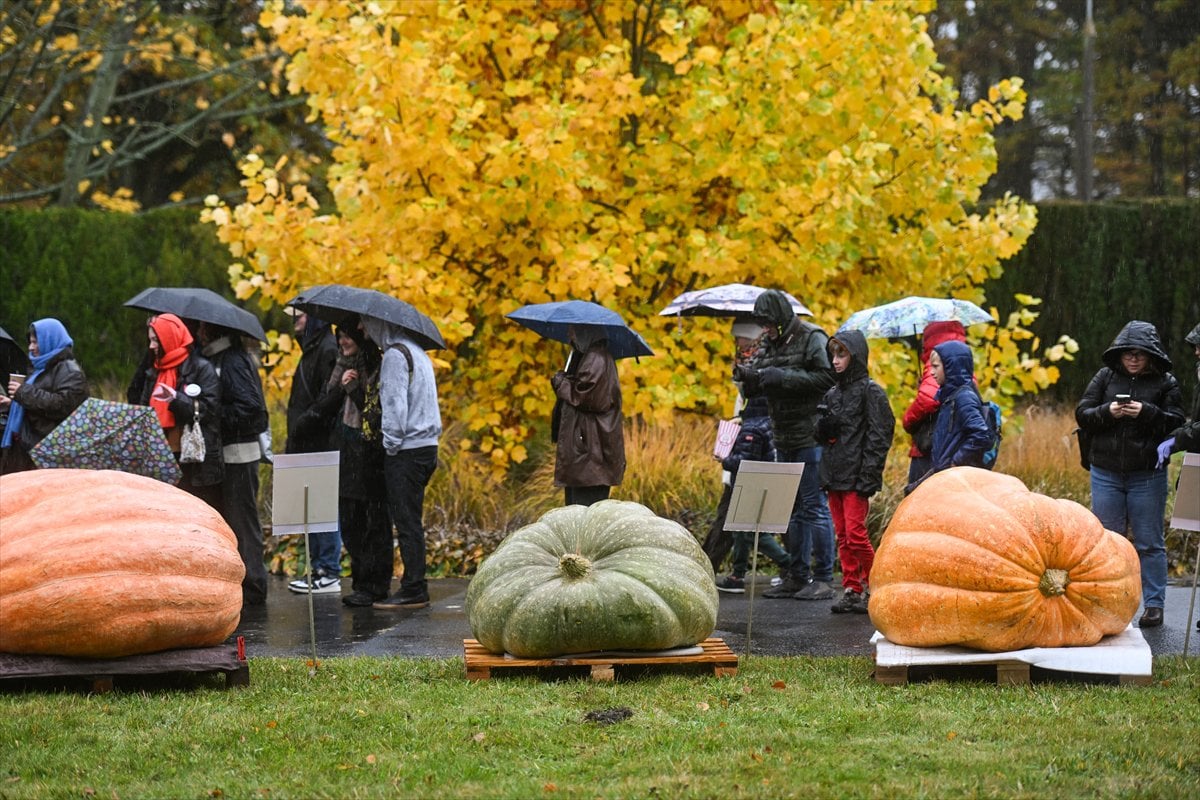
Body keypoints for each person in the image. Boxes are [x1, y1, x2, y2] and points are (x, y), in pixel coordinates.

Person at [1076, 320, 1184, 629]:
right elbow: (1083, 414)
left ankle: (1153, 605)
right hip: (1105, 471)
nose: (1133, 359)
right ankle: (1107, 601)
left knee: (1149, 542)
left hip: (1147, 475)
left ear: (1151, 355)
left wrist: (1146, 412)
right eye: (1128, 353)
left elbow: (1176, 423)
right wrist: (1107, 412)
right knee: (1108, 541)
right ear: (1119, 354)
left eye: (1140, 354)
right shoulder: (1105, 377)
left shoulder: (1166, 383)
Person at [734, 289, 836, 601]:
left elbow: (828, 378)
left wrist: (784, 377)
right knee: (791, 510)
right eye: (761, 323)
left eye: (767, 322)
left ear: (779, 317)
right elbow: (766, 376)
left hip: (810, 435)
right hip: (782, 434)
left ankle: (823, 577)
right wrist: (751, 378)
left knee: (813, 506)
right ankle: (797, 574)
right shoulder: (770, 341)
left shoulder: (811, 337)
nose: (764, 328)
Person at [308, 320, 392, 608]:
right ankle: (360, 581)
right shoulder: (341, 365)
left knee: (371, 521)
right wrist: (342, 384)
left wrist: (354, 388)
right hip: (345, 449)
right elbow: (326, 402)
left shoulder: (375, 365)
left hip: (368, 453)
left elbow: (374, 414)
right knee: (350, 519)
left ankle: (374, 584)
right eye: (340, 337)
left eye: (347, 336)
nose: (343, 342)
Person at [362, 318, 442, 611]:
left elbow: (395, 405)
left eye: (365, 324)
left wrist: (390, 446)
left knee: (406, 521)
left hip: (407, 450)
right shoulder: (418, 352)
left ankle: (414, 587)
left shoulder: (395, 356)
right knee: (412, 520)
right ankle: (415, 584)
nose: (363, 329)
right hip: (427, 446)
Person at [815, 330, 894, 614]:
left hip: (855, 475)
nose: (835, 361)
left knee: (856, 533)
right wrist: (824, 428)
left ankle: (876, 582)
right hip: (834, 473)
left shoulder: (870, 391)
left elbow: (880, 435)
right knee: (843, 535)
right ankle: (852, 587)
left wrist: (868, 476)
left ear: (855, 356)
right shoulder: (833, 393)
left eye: (842, 354)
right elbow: (822, 436)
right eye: (833, 354)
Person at [199, 322, 271, 607]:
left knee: (243, 520)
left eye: (204, 326)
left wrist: (214, 414)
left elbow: (251, 409)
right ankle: (245, 581)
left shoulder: (232, 360)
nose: (199, 330)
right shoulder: (222, 357)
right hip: (232, 453)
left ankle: (254, 585)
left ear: (214, 329)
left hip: (240, 454)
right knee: (235, 518)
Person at [284, 311, 341, 595]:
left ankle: (328, 571)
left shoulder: (327, 348)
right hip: (309, 440)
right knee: (313, 506)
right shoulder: (313, 348)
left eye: (301, 315)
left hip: (320, 441)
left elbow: (327, 399)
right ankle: (319, 568)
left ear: (316, 319)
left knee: (322, 507)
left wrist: (306, 421)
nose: (295, 320)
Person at [702, 320, 767, 573]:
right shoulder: (744, 363)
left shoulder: (760, 364)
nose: (737, 343)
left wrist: (745, 419)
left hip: (752, 448)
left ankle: (712, 565)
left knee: (734, 517)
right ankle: (715, 565)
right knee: (733, 516)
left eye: (741, 338)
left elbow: (756, 406)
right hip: (743, 444)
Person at [137, 313, 222, 504]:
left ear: (169, 339)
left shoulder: (201, 368)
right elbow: (144, 412)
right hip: (160, 459)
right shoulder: (154, 372)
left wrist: (175, 399)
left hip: (192, 462)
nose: (151, 346)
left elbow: (209, 411)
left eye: (155, 340)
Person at [713, 394, 792, 593]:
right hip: (766, 482)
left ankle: (789, 564)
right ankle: (738, 574)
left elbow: (745, 461)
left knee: (748, 531)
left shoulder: (751, 428)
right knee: (745, 530)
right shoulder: (770, 424)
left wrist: (723, 458)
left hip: (749, 484)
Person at [0, 318, 89, 474]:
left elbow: (62, 406)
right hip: (24, 448)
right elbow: (35, 407)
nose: (31, 347)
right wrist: (11, 405)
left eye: (36, 342)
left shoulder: (70, 372)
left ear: (50, 341)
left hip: (44, 454)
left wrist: (22, 392)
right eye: (30, 342)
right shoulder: (40, 368)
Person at [550, 327, 625, 507]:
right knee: (577, 511)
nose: (569, 335)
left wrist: (561, 382)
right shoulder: (587, 356)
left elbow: (587, 397)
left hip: (590, 451)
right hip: (587, 450)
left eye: (573, 331)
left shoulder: (596, 358)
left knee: (586, 512)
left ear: (585, 332)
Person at [901, 321, 967, 486]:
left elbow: (928, 399)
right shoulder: (962, 362)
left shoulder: (938, 361)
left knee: (917, 499)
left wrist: (908, 421)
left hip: (929, 448)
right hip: (953, 446)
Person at [924, 340, 992, 480]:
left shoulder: (964, 398)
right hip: (946, 475)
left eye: (936, 366)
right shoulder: (949, 397)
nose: (931, 372)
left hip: (958, 479)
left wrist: (956, 462)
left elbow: (980, 434)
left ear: (951, 366)